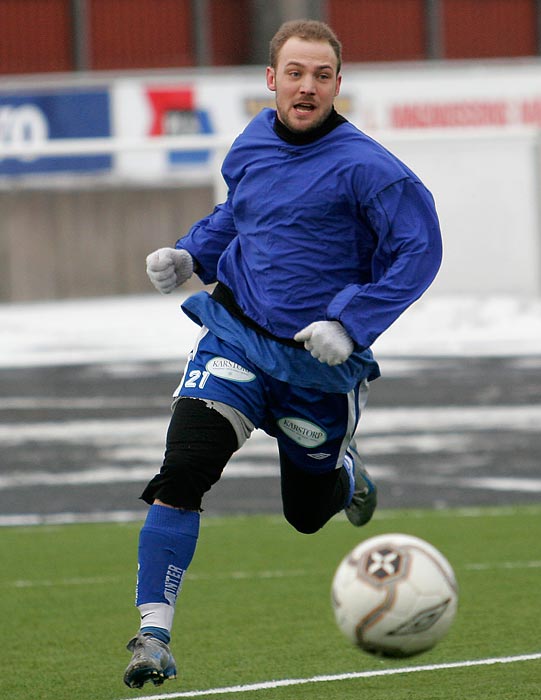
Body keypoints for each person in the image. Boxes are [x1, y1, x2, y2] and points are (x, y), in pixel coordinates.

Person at [123, 18, 442, 689]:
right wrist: (191, 253)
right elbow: (240, 213)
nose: (306, 86)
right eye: (294, 73)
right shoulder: (250, 143)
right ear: (271, 80)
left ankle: (346, 480)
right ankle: (152, 634)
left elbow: (418, 251)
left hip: (316, 369)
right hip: (234, 335)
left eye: (321, 75)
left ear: (336, 85)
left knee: (304, 516)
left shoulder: (370, 169)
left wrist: (351, 326)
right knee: (183, 469)